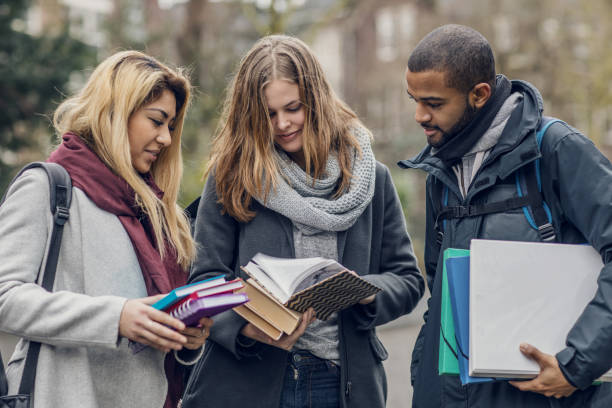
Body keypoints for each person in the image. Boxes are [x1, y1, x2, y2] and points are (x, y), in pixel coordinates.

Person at [181, 34, 424, 408]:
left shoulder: (370, 178)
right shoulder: (233, 176)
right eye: (268, 114)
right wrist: (248, 329)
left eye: (293, 108)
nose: (282, 124)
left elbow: (407, 280)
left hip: (342, 384)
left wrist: (362, 290)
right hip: (249, 382)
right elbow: (205, 279)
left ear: (316, 99)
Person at [398, 24, 612, 407]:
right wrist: (423, 379)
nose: (418, 115)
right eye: (413, 99)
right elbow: (439, 296)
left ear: (479, 94)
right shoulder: (439, 172)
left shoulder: (556, 150)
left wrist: (576, 365)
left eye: (433, 103)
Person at [0, 50, 213, 408]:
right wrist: (115, 318)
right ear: (116, 112)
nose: (165, 138)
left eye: (171, 126)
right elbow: (5, 297)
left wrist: (185, 337)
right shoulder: (48, 187)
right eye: (156, 120)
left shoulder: (157, 210)